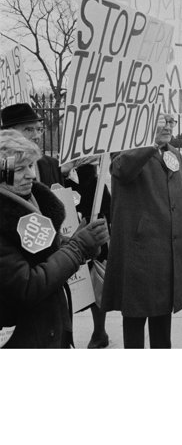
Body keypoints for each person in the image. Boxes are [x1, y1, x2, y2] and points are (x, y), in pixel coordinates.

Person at [0, 130, 109, 348]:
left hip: (50, 329)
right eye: (20, 169)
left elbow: (47, 251)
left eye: (31, 166)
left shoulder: (30, 201)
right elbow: (28, 285)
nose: (31, 174)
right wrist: (77, 248)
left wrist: (85, 243)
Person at [101, 114, 182, 349]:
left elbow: (180, 193)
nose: (168, 126)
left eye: (171, 121)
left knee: (163, 312)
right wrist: (150, 144)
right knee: (135, 313)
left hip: (168, 246)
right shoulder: (124, 149)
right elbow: (121, 170)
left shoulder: (173, 152)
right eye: (162, 120)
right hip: (140, 249)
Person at [62, 156, 111, 349]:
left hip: (92, 234)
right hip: (71, 232)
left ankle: (99, 331)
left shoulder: (96, 183)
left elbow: (107, 209)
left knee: (94, 283)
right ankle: (96, 331)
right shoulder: (61, 175)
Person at [0, 102, 64, 187]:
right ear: (9, 132)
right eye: (29, 129)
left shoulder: (53, 164)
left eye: (39, 129)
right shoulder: (5, 165)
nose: (37, 136)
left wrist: (68, 173)